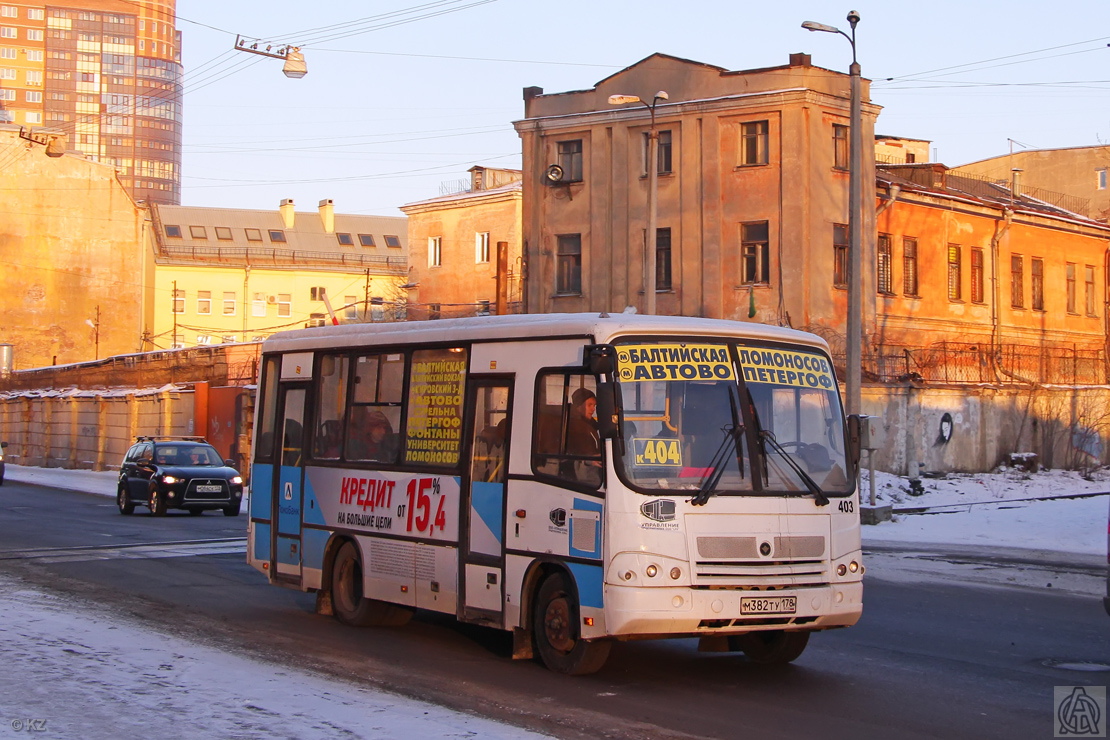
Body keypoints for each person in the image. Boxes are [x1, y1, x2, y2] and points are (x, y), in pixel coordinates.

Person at [565, 387, 602, 485]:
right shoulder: (572, 425)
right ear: (579, 406)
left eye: (594, 405)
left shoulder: (591, 425)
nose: (593, 409)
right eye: (589, 405)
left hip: (591, 472)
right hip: (581, 478)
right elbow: (571, 452)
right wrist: (590, 460)